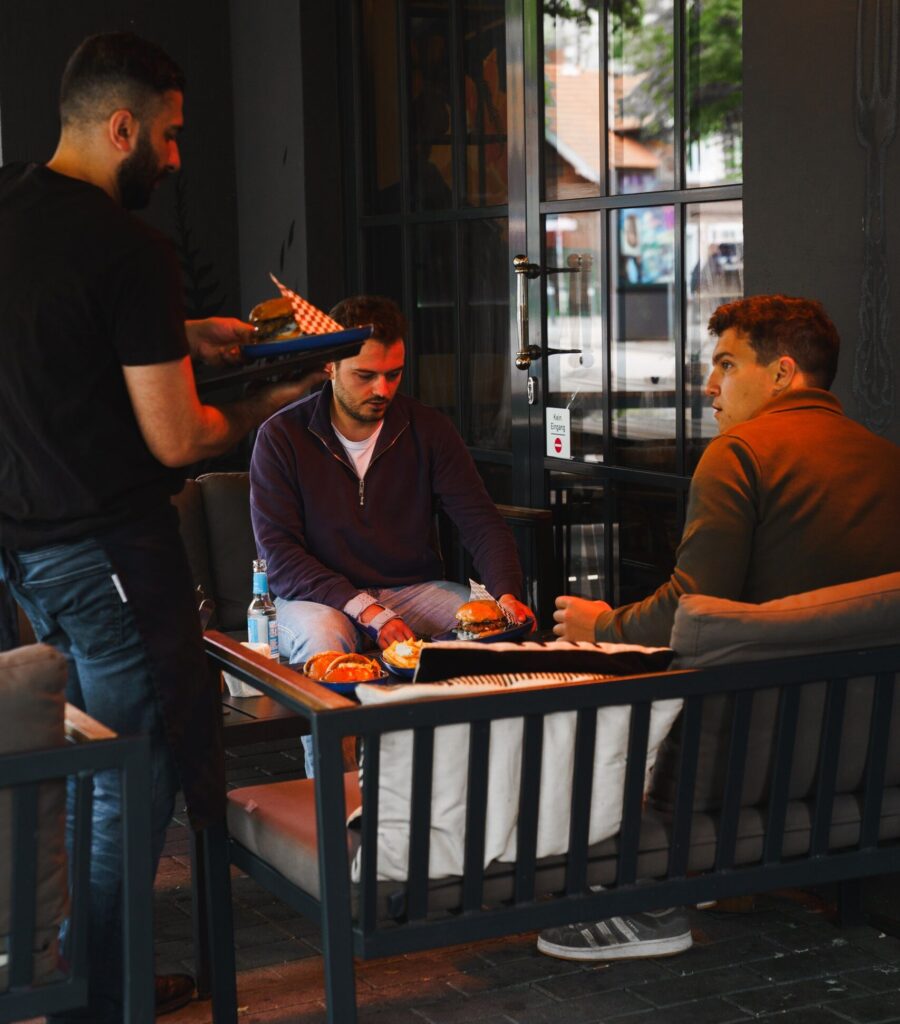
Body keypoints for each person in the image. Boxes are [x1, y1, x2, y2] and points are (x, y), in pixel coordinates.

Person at [0, 33, 324, 1022]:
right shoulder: (128, 246)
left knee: (90, 762)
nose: (177, 159)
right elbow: (180, 438)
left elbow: (55, 336)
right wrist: (291, 390)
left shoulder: (8, 209)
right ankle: (103, 997)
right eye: (172, 137)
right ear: (124, 126)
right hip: (107, 549)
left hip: (28, 551)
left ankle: (86, 979)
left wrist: (185, 336)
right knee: (132, 778)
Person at [542, 293, 900, 963]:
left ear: (784, 373)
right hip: (868, 763)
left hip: (736, 769)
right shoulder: (889, 462)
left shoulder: (740, 454)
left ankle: (644, 906)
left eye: (727, 364)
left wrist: (599, 625)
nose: (710, 384)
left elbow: (690, 607)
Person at [250, 295, 535, 774]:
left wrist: (507, 595)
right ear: (330, 364)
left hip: (410, 588)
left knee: (495, 637)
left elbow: (480, 522)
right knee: (325, 644)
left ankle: (469, 787)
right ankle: (338, 803)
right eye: (365, 376)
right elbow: (279, 557)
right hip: (318, 597)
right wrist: (369, 612)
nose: (382, 389)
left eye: (394, 374)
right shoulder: (282, 437)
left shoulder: (428, 429)